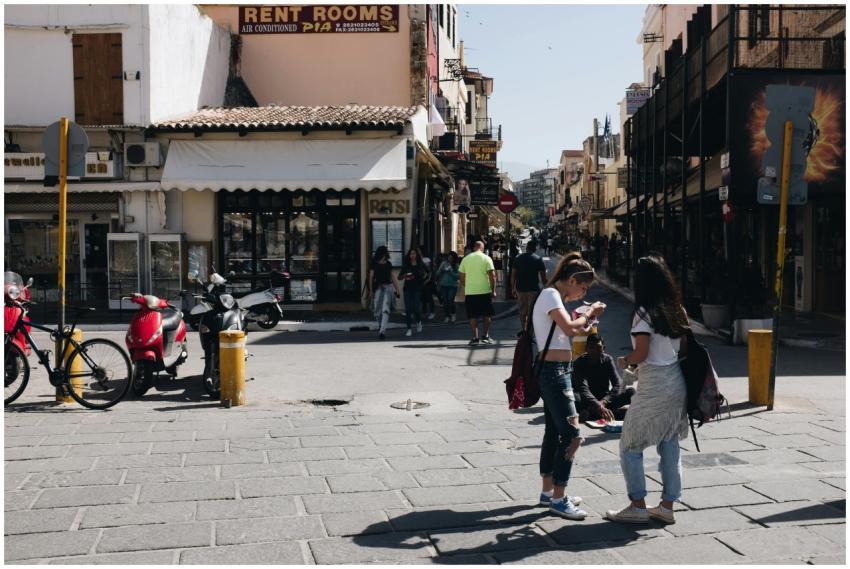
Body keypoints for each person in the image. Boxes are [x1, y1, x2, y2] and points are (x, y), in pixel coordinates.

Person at [605, 255, 690, 526]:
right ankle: (667, 506)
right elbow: (683, 349)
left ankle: (638, 505)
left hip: (654, 384)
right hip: (677, 382)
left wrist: (625, 360)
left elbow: (641, 352)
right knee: (670, 444)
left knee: (629, 444)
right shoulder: (677, 309)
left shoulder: (644, 312)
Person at [534, 256, 606, 520]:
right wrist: (589, 312)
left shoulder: (554, 298)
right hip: (554, 372)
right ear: (573, 280)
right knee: (573, 435)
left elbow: (570, 332)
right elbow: (568, 326)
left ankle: (548, 492)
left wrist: (586, 320)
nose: (583, 293)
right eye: (583, 288)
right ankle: (559, 498)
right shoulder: (551, 294)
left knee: (554, 431)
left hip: (558, 369)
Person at [573, 333, 635, 421]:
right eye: (591, 347)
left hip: (604, 400)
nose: (595, 351)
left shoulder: (607, 360)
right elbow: (583, 389)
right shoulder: (579, 363)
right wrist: (598, 405)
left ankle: (593, 414)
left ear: (603, 349)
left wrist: (604, 402)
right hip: (587, 402)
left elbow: (618, 384)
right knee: (574, 398)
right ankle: (612, 414)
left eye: (598, 348)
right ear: (586, 349)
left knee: (631, 392)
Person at [458, 241, 496, 346]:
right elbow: (492, 276)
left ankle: (475, 338)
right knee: (487, 314)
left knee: (473, 315)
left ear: (474, 247)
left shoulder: (466, 259)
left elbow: (461, 276)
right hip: (484, 291)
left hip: (471, 292)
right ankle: (486, 336)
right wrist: (493, 290)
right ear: (482, 248)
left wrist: (467, 285)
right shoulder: (487, 258)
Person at [511, 240, 548, 333]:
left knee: (522, 311)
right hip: (534, 289)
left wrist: (513, 288)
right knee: (532, 311)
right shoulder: (538, 259)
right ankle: (530, 330)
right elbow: (543, 278)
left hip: (521, 289)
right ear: (534, 248)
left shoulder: (518, 258)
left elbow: (513, 275)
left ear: (526, 248)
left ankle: (523, 329)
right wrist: (546, 288)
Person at [367, 246, 400, 340]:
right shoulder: (374, 264)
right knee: (377, 310)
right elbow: (371, 277)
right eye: (385, 253)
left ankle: (382, 331)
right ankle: (380, 325)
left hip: (388, 288)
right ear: (381, 253)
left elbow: (393, 277)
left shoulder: (388, 264)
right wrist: (371, 290)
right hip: (378, 288)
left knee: (385, 309)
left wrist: (397, 289)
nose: (386, 255)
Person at [399, 248, 429, 337]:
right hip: (407, 289)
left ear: (417, 255)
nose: (412, 255)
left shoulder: (420, 264)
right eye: (411, 254)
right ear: (409, 255)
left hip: (417, 289)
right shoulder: (406, 265)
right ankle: (409, 329)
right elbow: (399, 277)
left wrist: (425, 281)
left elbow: (428, 272)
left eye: (414, 254)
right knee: (408, 309)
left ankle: (418, 322)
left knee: (416, 308)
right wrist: (404, 275)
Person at [436, 251, 460, 323]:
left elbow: (458, 276)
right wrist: (442, 271)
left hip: (452, 286)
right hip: (444, 285)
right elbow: (437, 273)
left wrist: (451, 272)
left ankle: (453, 314)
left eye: (451, 257)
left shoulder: (456, 265)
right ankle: (447, 316)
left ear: (454, 258)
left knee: (450, 300)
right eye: (449, 257)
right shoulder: (444, 263)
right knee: (445, 301)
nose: (450, 258)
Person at [421, 255, 437, 320]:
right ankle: (424, 312)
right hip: (423, 287)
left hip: (429, 286)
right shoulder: (422, 270)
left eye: (428, 263)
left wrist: (425, 281)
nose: (427, 264)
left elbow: (431, 278)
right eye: (426, 263)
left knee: (430, 299)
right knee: (424, 300)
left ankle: (432, 312)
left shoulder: (431, 270)